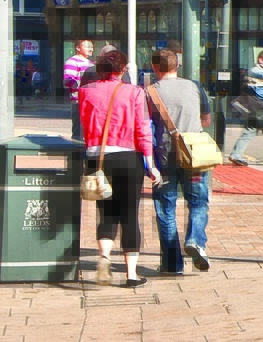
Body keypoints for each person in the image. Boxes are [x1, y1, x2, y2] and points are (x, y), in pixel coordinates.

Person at [78, 48, 158, 287]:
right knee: (129, 215)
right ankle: (131, 275)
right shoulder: (135, 93)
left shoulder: (85, 92)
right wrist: (150, 164)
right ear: (123, 69)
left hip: (97, 157)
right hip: (127, 157)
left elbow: (83, 124)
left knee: (107, 212)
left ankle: (104, 257)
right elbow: (143, 130)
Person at [146, 48, 212, 278]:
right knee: (198, 202)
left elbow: (146, 127)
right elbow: (206, 119)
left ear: (155, 68)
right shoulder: (195, 87)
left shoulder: (150, 92)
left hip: (164, 159)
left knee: (166, 208)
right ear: (177, 66)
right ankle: (195, 240)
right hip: (194, 157)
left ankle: (172, 265)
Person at [228, 48, 263, 166]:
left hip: (256, 106)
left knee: (250, 130)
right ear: (260, 60)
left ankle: (236, 154)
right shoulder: (256, 71)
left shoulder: (257, 72)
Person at [62, 39, 94, 106]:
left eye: (92, 47)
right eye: (88, 47)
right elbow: (68, 81)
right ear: (78, 48)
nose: (91, 50)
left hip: (91, 101)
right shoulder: (72, 62)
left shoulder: (91, 63)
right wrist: (87, 86)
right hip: (78, 102)